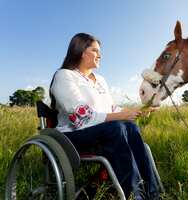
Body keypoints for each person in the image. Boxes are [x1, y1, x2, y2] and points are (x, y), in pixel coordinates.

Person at [49, 33, 160, 200]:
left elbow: (112, 108)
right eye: (95, 50)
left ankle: (153, 194)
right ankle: (135, 195)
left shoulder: (100, 80)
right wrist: (122, 116)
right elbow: (81, 117)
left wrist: (136, 110)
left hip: (102, 132)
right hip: (72, 136)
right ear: (80, 51)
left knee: (129, 126)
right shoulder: (64, 76)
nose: (100, 55)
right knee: (117, 127)